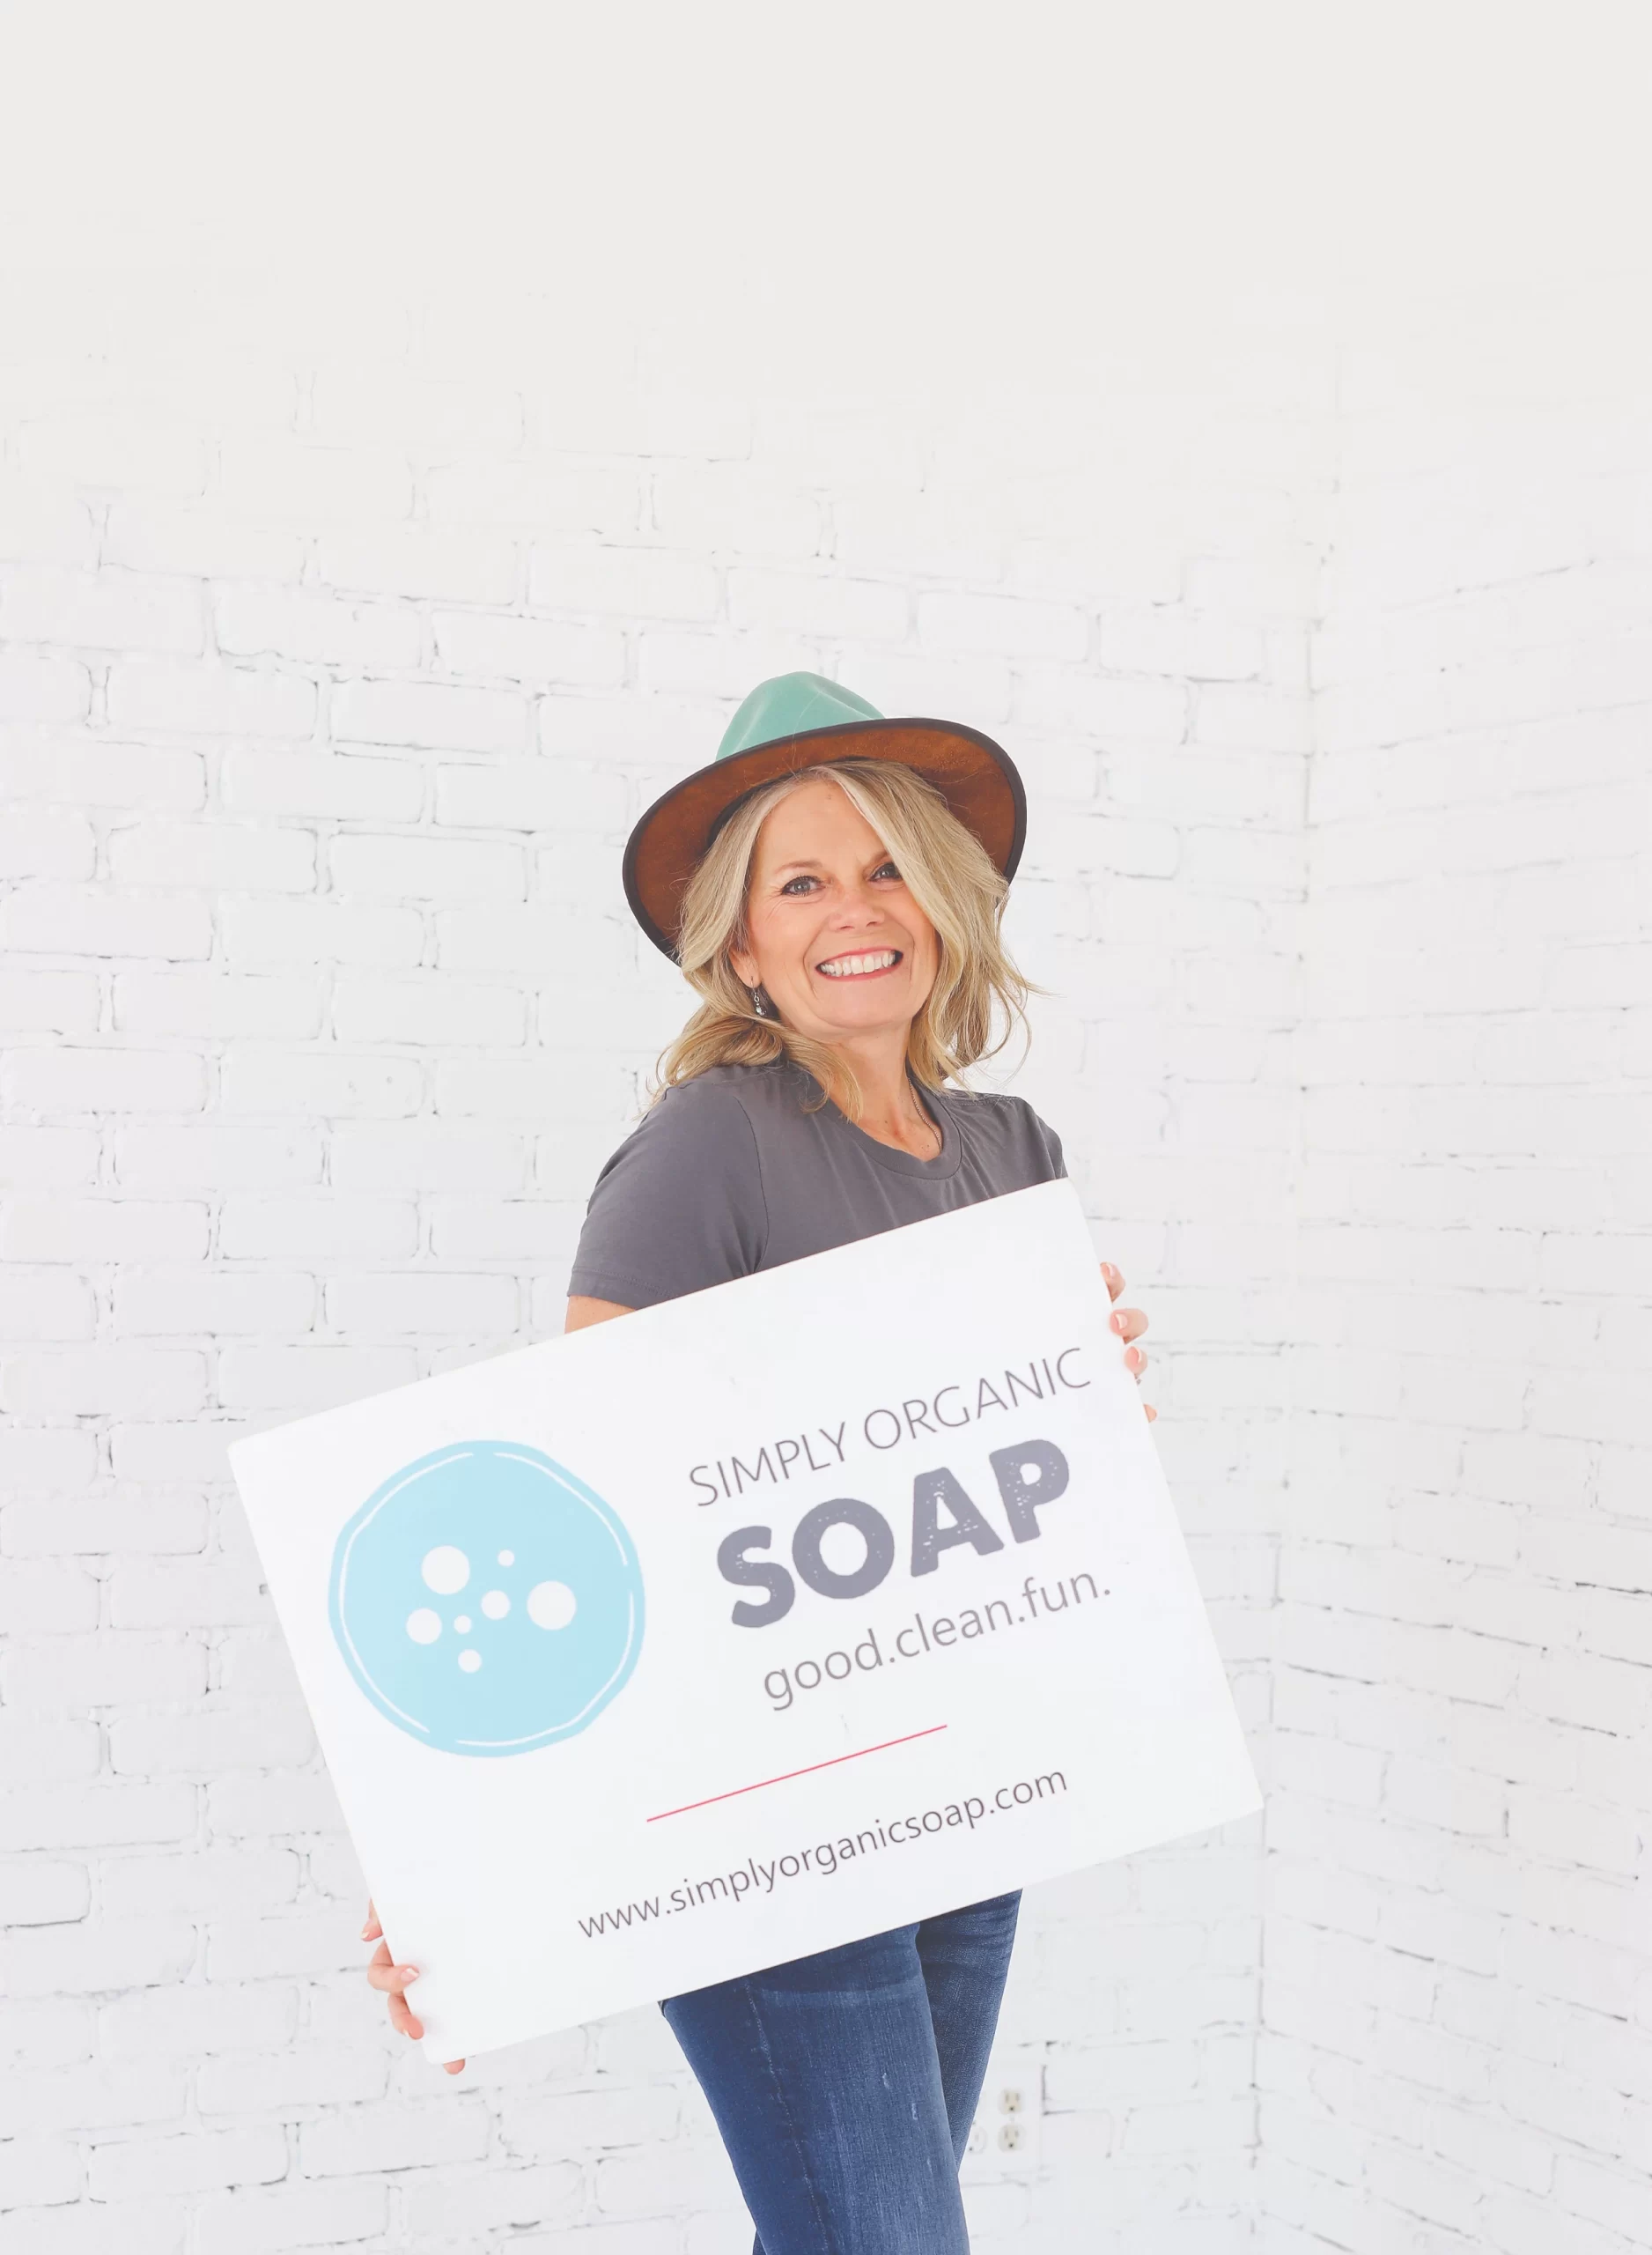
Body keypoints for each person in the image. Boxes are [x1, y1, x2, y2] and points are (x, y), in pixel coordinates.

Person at [363, 672, 1154, 2252]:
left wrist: (1093, 1397)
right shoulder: (710, 1142)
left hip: (962, 1794)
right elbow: (570, 1505)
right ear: (740, 942)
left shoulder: (1013, 1154)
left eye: (887, 867)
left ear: (943, 900)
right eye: (803, 880)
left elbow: (1004, 1499)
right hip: (761, 1817)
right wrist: (465, 1844)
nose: (855, 909)